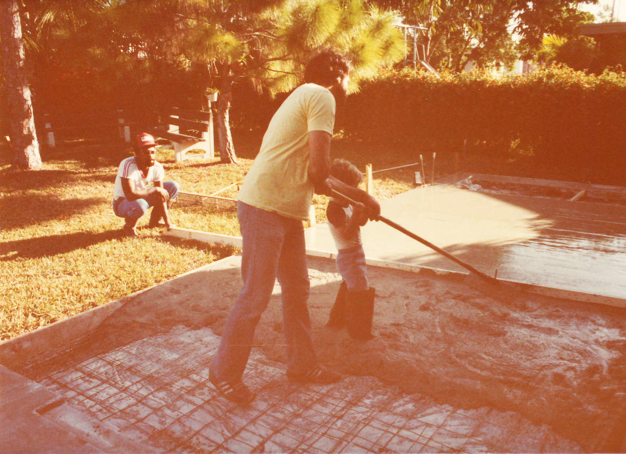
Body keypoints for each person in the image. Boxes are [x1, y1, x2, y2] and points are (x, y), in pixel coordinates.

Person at [209, 50, 380, 405]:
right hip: (264, 206)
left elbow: (317, 181)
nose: (350, 86)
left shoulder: (303, 95)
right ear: (337, 76)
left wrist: (358, 198)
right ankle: (223, 374)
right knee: (256, 293)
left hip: (285, 210)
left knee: (297, 288)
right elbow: (320, 173)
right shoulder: (321, 95)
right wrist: (361, 196)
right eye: (348, 78)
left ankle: (303, 365)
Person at [325, 159, 375, 340]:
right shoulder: (333, 209)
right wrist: (355, 214)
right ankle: (360, 332)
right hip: (348, 255)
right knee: (360, 289)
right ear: (340, 188)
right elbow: (346, 233)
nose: (354, 193)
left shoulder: (348, 204)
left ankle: (337, 320)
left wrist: (364, 214)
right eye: (352, 188)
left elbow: (359, 224)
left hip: (355, 252)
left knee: (349, 285)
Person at [112, 133, 180, 237]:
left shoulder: (157, 167)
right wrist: (154, 190)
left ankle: (156, 221)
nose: (151, 156)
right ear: (137, 153)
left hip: (140, 197)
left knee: (172, 186)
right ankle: (129, 227)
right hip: (122, 203)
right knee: (140, 204)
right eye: (146, 153)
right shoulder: (127, 164)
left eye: (153, 152)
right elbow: (130, 195)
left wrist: (168, 222)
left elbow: (161, 197)